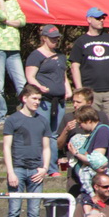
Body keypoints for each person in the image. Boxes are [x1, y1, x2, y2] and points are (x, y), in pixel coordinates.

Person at [69, 7, 109, 180]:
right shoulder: (81, 41)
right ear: (89, 19)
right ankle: (89, 161)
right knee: (88, 127)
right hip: (91, 94)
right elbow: (75, 65)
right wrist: (80, 91)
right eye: (97, 18)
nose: (101, 20)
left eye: (103, 18)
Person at [4, 84, 49, 217]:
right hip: (18, 168)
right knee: (14, 212)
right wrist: (10, 172)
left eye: (39, 99)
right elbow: (6, 147)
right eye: (34, 98)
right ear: (24, 98)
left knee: (34, 214)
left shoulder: (43, 120)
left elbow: (46, 147)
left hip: (36, 170)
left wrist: (45, 168)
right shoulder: (12, 120)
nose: (37, 102)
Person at [25, 25, 71, 175]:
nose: (55, 41)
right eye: (52, 38)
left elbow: (63, 75)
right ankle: (41, 166)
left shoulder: (61, 55)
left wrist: (68, 89)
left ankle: (52, 167)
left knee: (54, 134)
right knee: (42, 133)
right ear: (44, 38)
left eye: (57, 38)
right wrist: (40, 87)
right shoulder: (36, 56)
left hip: (59, 101)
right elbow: (30, 76)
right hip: (44, 101)